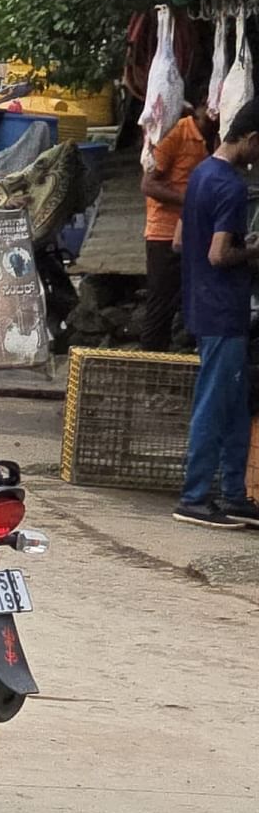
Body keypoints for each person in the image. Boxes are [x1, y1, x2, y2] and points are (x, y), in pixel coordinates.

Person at [172, 96, 259, 529]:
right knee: (213, 403)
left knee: (233, 406)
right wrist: (256, 249)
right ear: (251, 139)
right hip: (224, 309)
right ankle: (195, 497)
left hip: (204, 304)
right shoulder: (231, 187)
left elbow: (177, 241)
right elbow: (220, 253)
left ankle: (234, 495)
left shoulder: (202, 173)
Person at [141, 95, 213, 350]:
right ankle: (150, 370)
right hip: (164, 233)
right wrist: (190, 200)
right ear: (204, 104)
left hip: (195, 233)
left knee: (191, 303)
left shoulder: (215, 138)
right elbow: (148, 184)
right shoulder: (177, 132)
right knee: (160, 306)